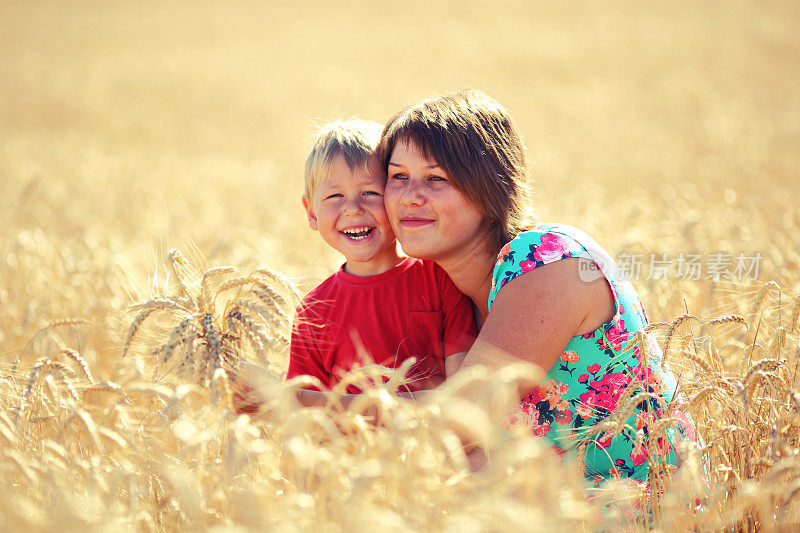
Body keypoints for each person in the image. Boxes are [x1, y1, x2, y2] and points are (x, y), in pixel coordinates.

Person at [377, 90, 696, 485]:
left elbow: (460, 421)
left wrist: (307, 406)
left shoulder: (548, 260)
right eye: (398, 177)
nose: (410, 196)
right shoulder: (442, 288)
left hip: (641, 513)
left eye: (436, 178)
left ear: (488, 186)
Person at [235, 119, 476, 413]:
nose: (353, 208)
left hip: (438, 452)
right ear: (311, 212)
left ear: (395, 198)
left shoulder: (439, 278)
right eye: (335, 196)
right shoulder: (313, 313)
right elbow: (307, 422)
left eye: (370, 193)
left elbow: (465, 397)